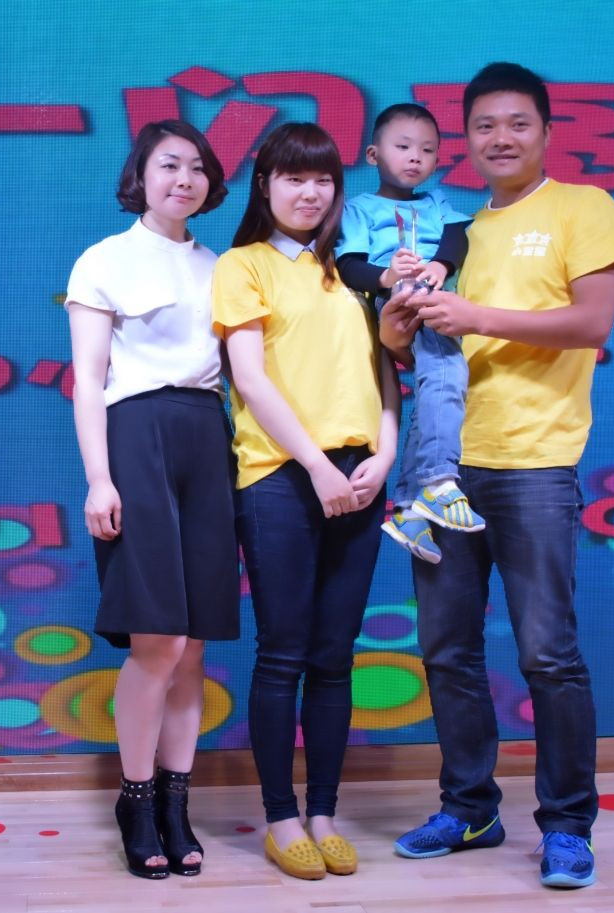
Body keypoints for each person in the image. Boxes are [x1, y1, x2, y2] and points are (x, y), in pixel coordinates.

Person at [382, 63, 614, 889]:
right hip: (441, 470)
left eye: (517, 123)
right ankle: (469, 808)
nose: (501, 138)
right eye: (484, 125)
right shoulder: (451, 228)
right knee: (446, 651)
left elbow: (593, 320)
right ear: (465, 137)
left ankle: (567, 826)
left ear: (547, 131)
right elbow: (419, 348)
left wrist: (475, 315)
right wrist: (397, 328)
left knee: (548, 655)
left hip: (535, 464)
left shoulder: (583, 207)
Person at [212, 122, 399, 881]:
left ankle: (324, 812)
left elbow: (387, 373)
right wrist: (318, 466)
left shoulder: (352, 274)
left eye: (323, 179)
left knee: (334, 656)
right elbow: (250, 378)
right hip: (281, 477)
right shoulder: (243, 264)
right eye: (294, 177)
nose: (310, 192)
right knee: (284, 651)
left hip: (360, 474)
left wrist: (385, 453)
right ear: (265, 185)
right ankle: (281, 817)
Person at [65, 120, 240, 880]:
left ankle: (176, 801)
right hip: (136, 435)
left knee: (194, 642)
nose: (184, 179)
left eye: (197, 168)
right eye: (169, 165)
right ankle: (135, 799)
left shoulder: (224, 267)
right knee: (158, 639)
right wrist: (99, 478)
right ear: (141, 174)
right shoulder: (104, 259)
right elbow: (88, 379)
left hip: (208, 435)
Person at [336, 103, 480, 565]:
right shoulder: (359, 208)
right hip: (396, 302)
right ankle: (437, 479)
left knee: (439, 380)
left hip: (435, 299)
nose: (415, 157)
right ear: (373, 154)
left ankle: (408, 510)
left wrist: (441, 264)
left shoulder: (437, 203)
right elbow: (348, 265)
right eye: (403, 147)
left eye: (427, 150)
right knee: (446, 375)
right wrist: (386, 276)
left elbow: (457, 236)